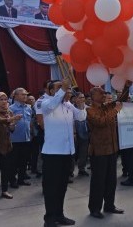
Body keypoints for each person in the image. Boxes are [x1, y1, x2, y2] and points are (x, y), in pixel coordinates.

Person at [41, 79, 86, 227]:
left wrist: (81, 105)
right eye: (59, 87)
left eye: (65, 88)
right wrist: (62, 90)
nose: (65, 89)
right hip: (52, 153)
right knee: (51, 188)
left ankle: (59, 215)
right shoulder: (45, 103)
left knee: (62, 186)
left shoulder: (68, 105)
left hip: (67, 152)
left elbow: (80, 117)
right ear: (51, 91)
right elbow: (51, 105)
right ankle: (49, 219)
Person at [86, 82, 131, 219]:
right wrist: (115, 110)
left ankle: (109, 205)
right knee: (98, 181)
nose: (104, 94)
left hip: (112, 149)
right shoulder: (90, 110)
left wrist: (127, 87)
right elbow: (101, 122)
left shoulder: (106, 107)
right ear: (93, 96)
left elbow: (121, 100)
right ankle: (94, 208)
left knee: (111, 180)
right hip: (99, 151)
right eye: (100, 93)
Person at [0, 92, 20, 200]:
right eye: (1, 99)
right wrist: (11, 119)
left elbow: (11, 129)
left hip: (6, 143)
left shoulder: (9, 112)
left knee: (6, 168)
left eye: (5, 99)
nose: (4, 102)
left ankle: (4, 190)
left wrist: (12, 123)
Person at [9, 88, 32, 187]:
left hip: (26, 138)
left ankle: (21, 179)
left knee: (24, 161)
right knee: (13, 162)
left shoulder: (28, 108)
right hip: (15, 139)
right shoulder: (11, 108)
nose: (25, 96)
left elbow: (29, 122)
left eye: (26, 94)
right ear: (16, 96)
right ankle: (12, 180)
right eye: (22, 94)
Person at [74, 92, 90, 177]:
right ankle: (70, 171)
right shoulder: (71, 108)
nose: (82, 99)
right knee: (73, 153)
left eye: (83, 97)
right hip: (75, 133)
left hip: (85, 132)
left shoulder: (88, 108)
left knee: (84, 152)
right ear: (75, 99)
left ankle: (82, 169)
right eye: (80, 97)